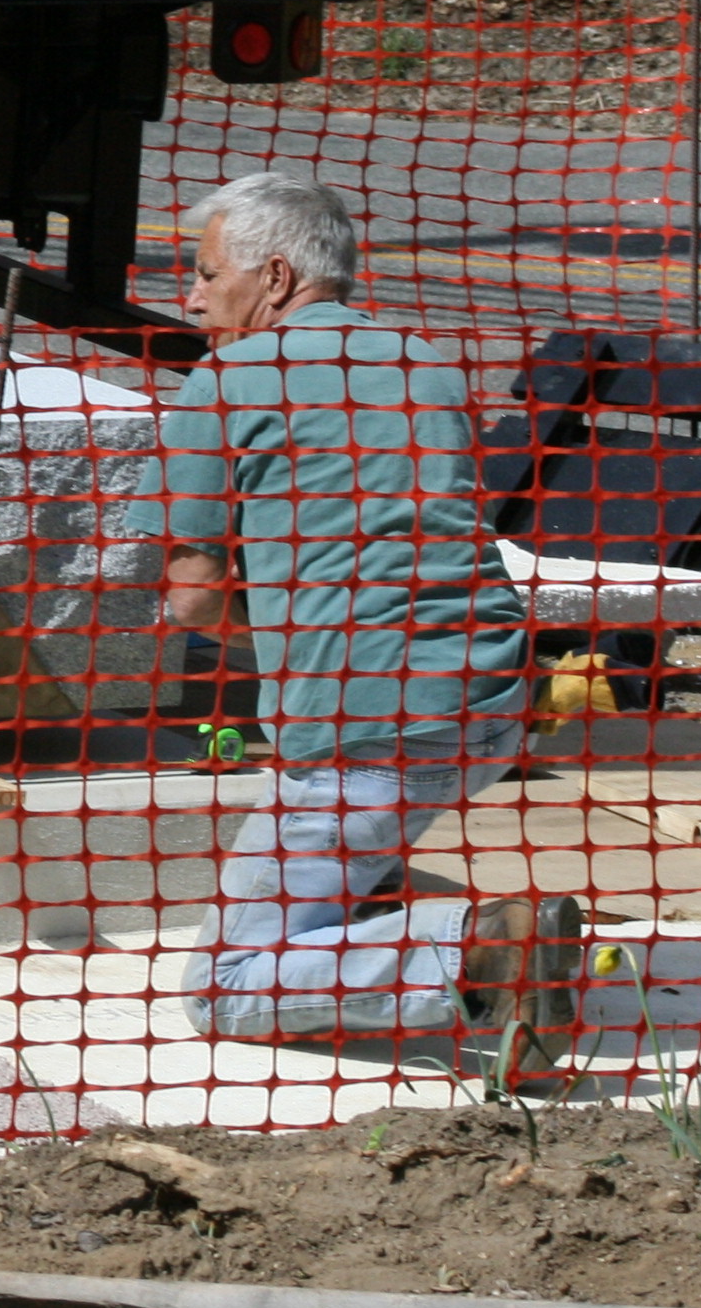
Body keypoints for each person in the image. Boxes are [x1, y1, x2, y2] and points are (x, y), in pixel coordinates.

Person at [151, 174, 583, 1089]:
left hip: (361, 731)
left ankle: (479, 954)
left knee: (224, 986)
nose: (190, 296)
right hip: (491, 702)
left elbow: (192, 600)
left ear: (272, 278)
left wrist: (284, 637)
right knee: (353, 846)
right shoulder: (421, 360)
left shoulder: (226, 379)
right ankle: (433, 932)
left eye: (205, 273)